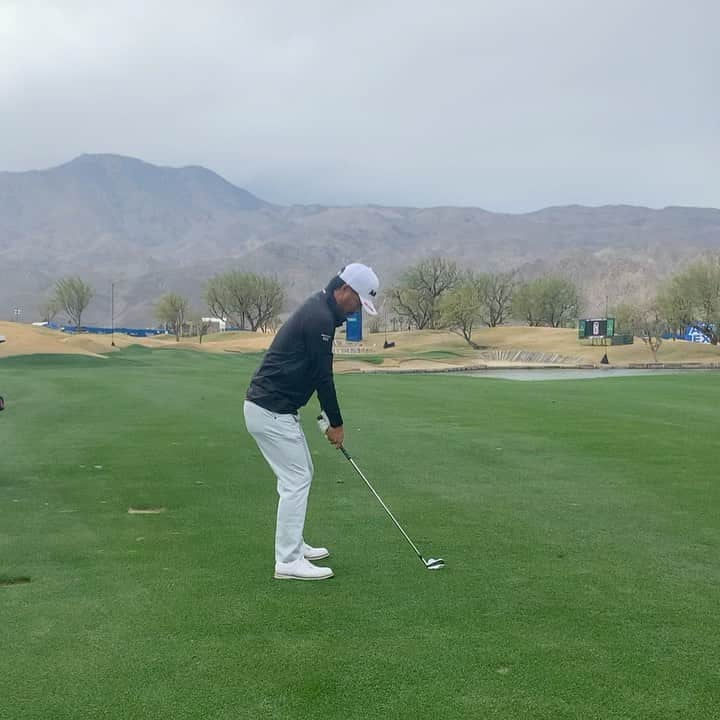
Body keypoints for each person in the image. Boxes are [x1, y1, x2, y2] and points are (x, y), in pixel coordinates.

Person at [244, 263, 380, 580]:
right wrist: (336, 422)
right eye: (358, 302)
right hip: (270, 409)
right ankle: (288, 562)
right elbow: (323, 377)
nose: (357, 309)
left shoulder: (320, 311)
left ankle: (294, 545)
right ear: (344, 290)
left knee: (300, 474)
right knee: (296, 480)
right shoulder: (320, 317)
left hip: (274, 409)